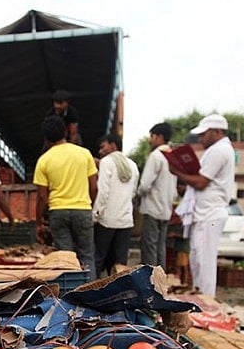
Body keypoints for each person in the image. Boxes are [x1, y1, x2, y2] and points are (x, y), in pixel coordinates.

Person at [169, 114, 235, 296]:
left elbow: (201, 182)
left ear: (217, 131)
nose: (200, 138)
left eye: (204, 134)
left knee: (204, 263)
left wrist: (177, 172)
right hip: (206, 214)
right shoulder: (217, 150)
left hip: (210, 215)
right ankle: (203, 300)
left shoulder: (219, 151)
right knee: (198, 261)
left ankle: (207, 303)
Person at [34, 115, 98, 279]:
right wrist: (88, 204)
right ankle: (91, 295)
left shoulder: (44, 160)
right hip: (83, 210)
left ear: (46, 138)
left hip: (58, 212)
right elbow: (94, 187)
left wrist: (38, 222)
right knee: (87, 256)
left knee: (65, 259)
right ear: (65, 132)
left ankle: (69, 298)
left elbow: (42, 197)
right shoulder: (84, 154)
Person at [92, 133, 139, 276]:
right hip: (125, 221)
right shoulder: (133, 165)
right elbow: (133, 192)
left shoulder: (107, 161)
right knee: (120, 264)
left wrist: (95, 215)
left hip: (106, 221)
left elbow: (103, 192)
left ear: (113, 145)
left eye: (103, 147)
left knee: (98, 259)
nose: (100, 151)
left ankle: (93, 293)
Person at [137, 122, 177, 268]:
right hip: (166, 208)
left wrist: (138, 193)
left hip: (152, 207)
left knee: (149, 246)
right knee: (161, 246)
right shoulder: (173, 155)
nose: (150, 140)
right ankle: (161, 279)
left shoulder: (156, 156)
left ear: (159, 137)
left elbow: (145, 184)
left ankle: (150, 282)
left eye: (152, 136)